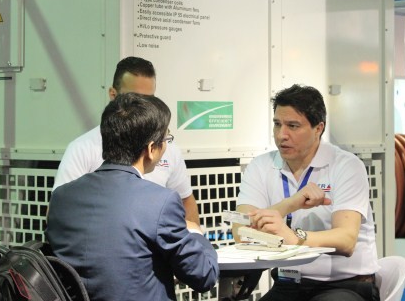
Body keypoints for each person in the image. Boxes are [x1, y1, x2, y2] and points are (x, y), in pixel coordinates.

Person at [46, 93, 219, 300]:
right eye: (166, 139)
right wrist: (195, 232)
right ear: (151, 149)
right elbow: (204, 276)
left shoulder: (62, 197)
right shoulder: (160, 202)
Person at [234, 84, 379, 301]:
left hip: (345, 285)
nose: (281, 135)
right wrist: (291, 203)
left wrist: (294, 237)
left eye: (293, 126)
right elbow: (241, 232)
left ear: (318, 128)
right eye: (277, 124)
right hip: (288, 284)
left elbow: (346, 239)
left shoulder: (346, 166)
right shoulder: (261, 166)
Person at [53, 56, 200, 224]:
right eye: (134, 98)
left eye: (149, 99)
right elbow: (60, 209)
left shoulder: (167, 146)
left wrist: (193, 235)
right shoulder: (82, 148)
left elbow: (186, 201)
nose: (143, 107)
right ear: (113, 95)